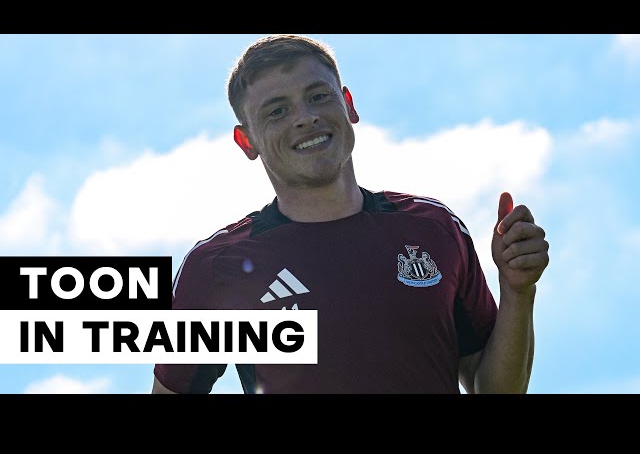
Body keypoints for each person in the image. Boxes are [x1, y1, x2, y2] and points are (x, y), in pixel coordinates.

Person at [151, 34, 549, 394]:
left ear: (349, 104)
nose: (305, 117)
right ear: (247, 141)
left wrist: (518, 292)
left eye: (318, 96)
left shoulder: (434, 229)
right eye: (276, 111)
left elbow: (493, 389)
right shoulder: (216, 268)